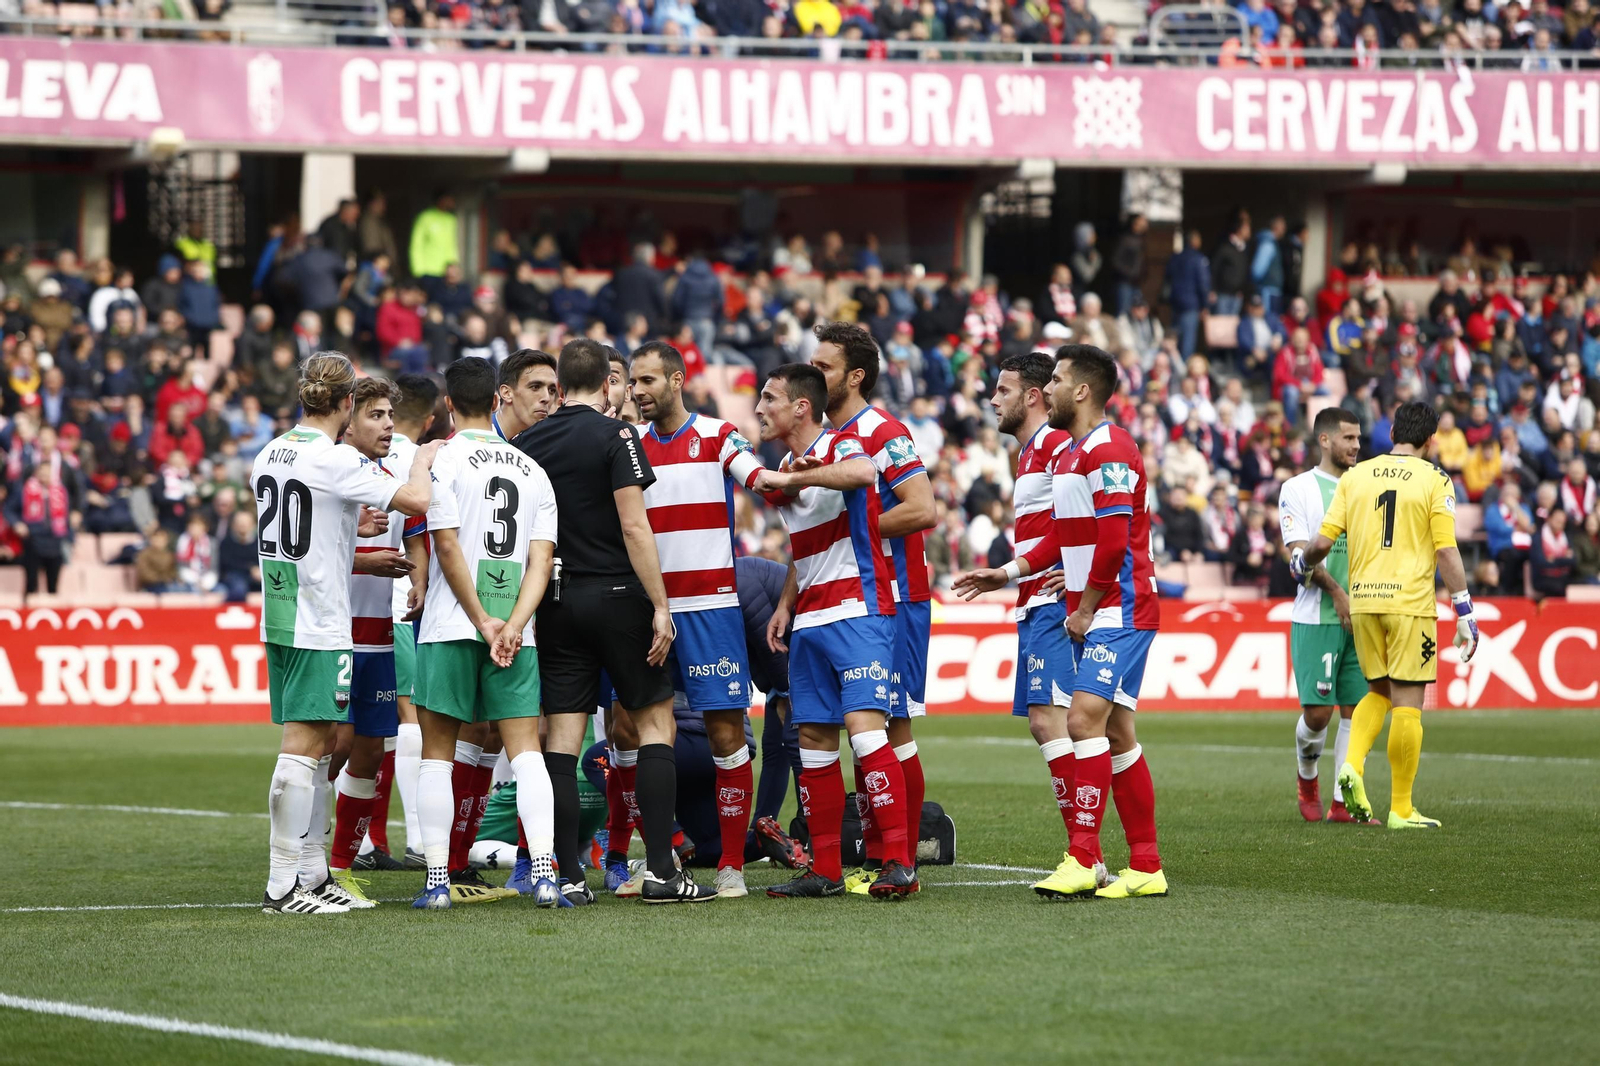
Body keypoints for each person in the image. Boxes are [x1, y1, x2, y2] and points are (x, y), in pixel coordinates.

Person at [512, 338, 714, 904]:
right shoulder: (617, 434)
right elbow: (634, 526)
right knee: (653, 726)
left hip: (554, 598)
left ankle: (568, 876)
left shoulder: (529, 442)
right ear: (609, 383)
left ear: (558, 385)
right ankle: (660, 873)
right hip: (618, 592)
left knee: (563, 740)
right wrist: (660, 604)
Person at [252, 352, 438, 915]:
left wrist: (353, 542)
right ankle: (284, 884)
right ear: (346, 404)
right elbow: (417, 501)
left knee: (319, 744)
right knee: (306, 751)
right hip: (319, 621)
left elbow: (302, 536)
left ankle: (311, 875)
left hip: (282, 615)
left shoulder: (270, 452)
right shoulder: (332, 460)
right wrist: (424, 458)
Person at [952, 353, 1118, 887]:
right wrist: (1010, 573)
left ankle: (1086, 856)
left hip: (1052, 604)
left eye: (1002, 390)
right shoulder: (1028, 454)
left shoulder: (1055, 444)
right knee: (1047, 723)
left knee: (1057, 722)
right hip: (1031, 597)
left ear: (1031, 395)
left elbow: (1092, 511)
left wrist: (1071, 573)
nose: (992, 400)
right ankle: (1086, 854)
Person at [754, 363, 918, 900]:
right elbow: (809, 548)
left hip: (859, 612)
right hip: (812, 619)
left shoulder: (844, 443)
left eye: (770, 398)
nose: (760, 408)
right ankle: (824, 868)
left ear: (802, 406)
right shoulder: (784, 461)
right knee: (815, 741)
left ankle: (897, 861)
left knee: (867, 730)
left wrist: (797, 477)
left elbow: (863, 477)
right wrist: (785, 603)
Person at [404, 358, 563, 909]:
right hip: (517, 634)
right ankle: (544, 874)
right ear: (496, 399)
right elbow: (541, 561)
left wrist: (480, 620)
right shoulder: (532, 469)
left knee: (437, 757)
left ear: (449, 404)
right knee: (526, 754)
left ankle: (437, 883)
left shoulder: (441, 460)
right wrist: (513, 625)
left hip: (452, 625)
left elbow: (444, 546)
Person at [626, 341, 776, 899]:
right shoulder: (631, 443)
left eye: (646, 381)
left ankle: (731, 866)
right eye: (632, 383)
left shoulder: (716, 434)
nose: (637, 392)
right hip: (648, 611)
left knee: (725, 734)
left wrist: (794, 478)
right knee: (630, 731)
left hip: (711, 608)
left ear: (676, 379)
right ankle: (652, 857)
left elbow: (756, 479)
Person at [1293, 401, 1480, 831]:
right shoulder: (1436, 479)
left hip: (1362, 604)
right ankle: (1401, 808)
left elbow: (1322, 542)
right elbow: (1446, 550)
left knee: (1376, 693)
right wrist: (1464, 609)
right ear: (1431, 441)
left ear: (1392, 430)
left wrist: (1301, 562)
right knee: (1409, 706)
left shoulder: (1356, 477)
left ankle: (1351, 767)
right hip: (1409, 606)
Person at [1029, 344, 1167, 900]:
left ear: (1082, 390)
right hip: (1102, 605)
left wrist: (1085, 605)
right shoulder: (1069, 454)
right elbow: (1066, 538)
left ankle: (1083, 858)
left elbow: (1112, 543)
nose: (1050, 390)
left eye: (1057, 380)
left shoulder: (1110, 448)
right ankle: (1147, 865)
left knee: (1082, 721)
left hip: (1121, 607)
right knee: (1116, 732)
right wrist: (1011, 570)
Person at [809, 322, 937, 895]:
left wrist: (849, 533)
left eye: (825, 367)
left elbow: (922, 507)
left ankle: (899, 860)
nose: (815, 376)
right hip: (849, 600)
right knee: (865, 729)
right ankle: (881, 854)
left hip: (897, 596)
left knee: (893, 727)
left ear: (855, 375)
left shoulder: (882, 430)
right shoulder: (826, 439)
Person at [323, 379, 423, 904]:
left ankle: (339, 870)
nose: (389, 425)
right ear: (349, 419)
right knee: (331, 747)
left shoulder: (394, 470)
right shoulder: (326, 468)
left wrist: (419, 577)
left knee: (368, 752)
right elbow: (302, 554)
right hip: (332, 631)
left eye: (391, 415)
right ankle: (305, 862)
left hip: (378, 636)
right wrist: (364, 558)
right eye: (377, 415)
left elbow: (414, 529)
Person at [349, 374, 439, 874]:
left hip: (369, 608)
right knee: (405, 721)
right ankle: (420, 842)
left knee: (370, 734)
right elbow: (422, 528)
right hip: (400, 606)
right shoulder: (415, 458)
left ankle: (366, 842)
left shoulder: (352, 453)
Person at [1279, 408, 1378, 825]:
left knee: (1356, 709)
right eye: (1348, 438)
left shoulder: (1370, 486)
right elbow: (1299, 552)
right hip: (1317, 616)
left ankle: (1342, 802)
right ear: (1324, 440)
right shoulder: (1298, 488)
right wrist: (1337, 592)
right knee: (1319, 714)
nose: (1356, 446)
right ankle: (1307, 777)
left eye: (1359, 439)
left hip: (1364, 617)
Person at [493, 348, 560, 441]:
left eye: (551, 390)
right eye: (535, 387)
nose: (547, 398)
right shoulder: (474, 438)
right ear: (506, 393)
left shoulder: (548, 443)